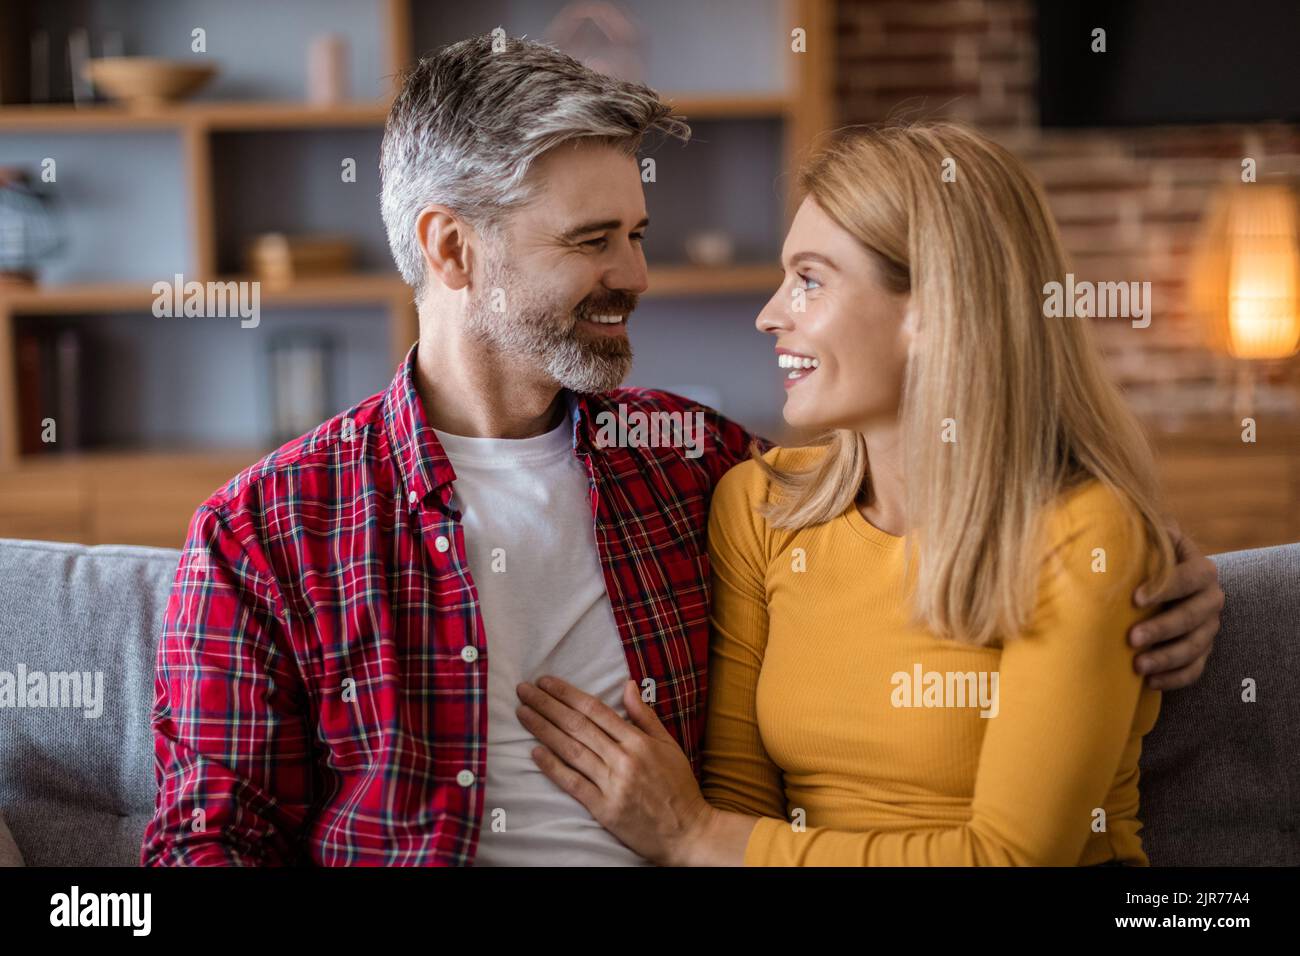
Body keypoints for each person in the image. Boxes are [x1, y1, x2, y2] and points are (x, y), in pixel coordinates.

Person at [142, 38, 1222, 867]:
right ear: (451, 248)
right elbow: (206, 841)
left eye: (639, 233)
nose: (638, 275)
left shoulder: (696, 464)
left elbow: (945, 501)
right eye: (592, 240)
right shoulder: (265, 531)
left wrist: (1172, 571)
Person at [515, 122, 1219, 866]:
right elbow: (743, 810)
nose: (770, 314)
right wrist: (711, 838)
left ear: (933, 307)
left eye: (811, 280)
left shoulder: (1080, 533)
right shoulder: (759, 505)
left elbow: (1011, 857)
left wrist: (694, 836)